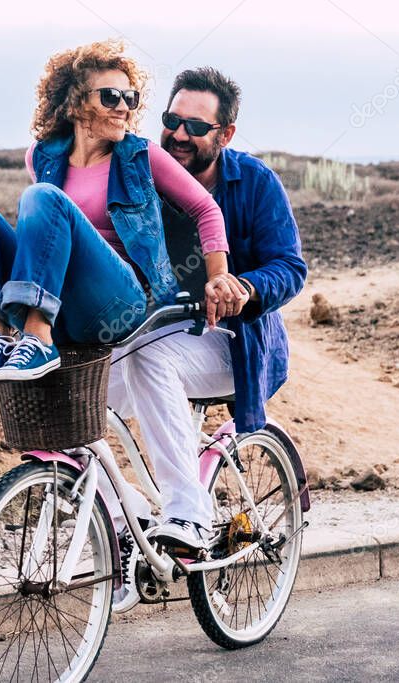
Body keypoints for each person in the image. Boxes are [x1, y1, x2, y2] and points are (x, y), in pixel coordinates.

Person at [0, 41, 240, 384]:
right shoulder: (40, 156)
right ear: (75, 101)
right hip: (64, 299)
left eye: (131, 99)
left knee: (42, 198)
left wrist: (218, 274)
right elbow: (47, 238)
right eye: (111, 96)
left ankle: (38, 338)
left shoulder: (141, 156)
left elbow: (206, 208)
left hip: (121, 301)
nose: (123, 108)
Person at [108, 67, 308, 556]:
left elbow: (290, 266)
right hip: (151, 331)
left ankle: (188, 514)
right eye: (171, 120)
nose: (179, 135)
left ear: (226, 134)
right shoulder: (141, 178)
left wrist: (244, 285)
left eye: (196, 127)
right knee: (71, 387)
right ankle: (122, 521)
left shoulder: (255, 182)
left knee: (148, 360)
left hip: (235, 344)